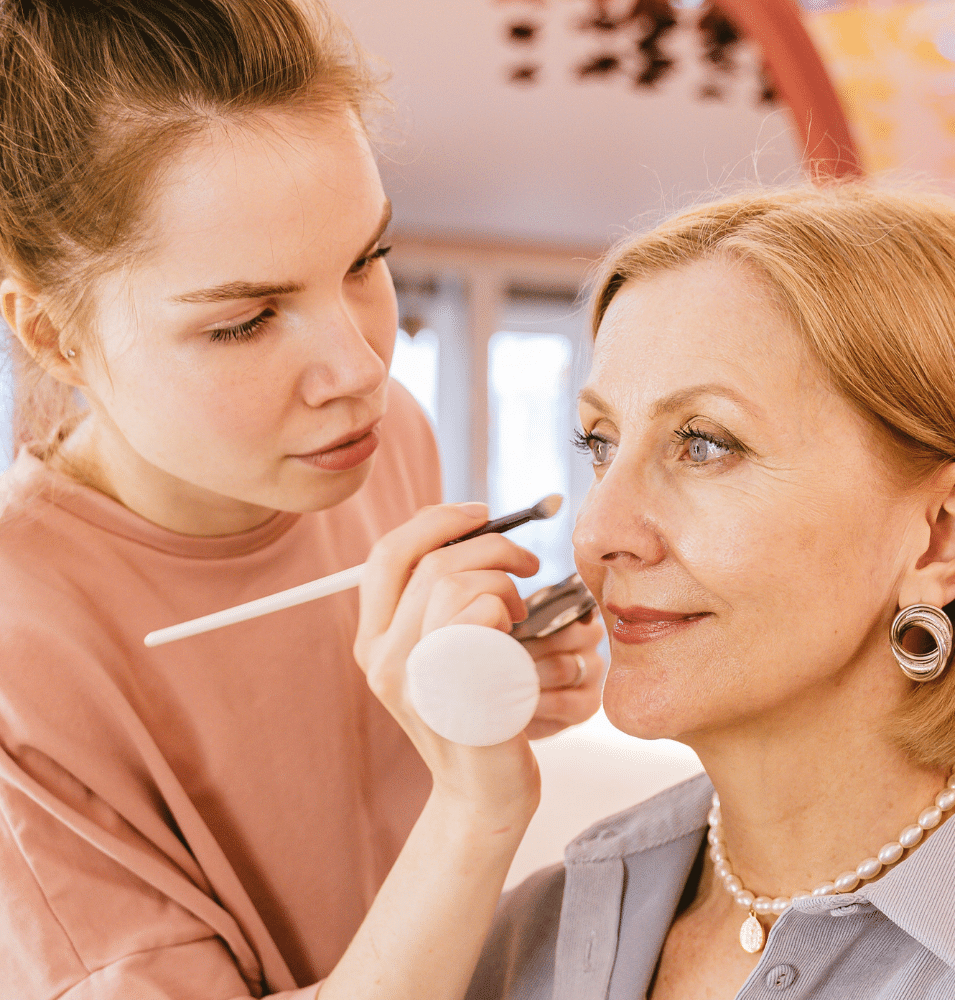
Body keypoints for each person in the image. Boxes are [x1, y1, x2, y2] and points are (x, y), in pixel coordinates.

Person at [0, 1, 604, 997]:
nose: (364, 364)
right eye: (245, 321)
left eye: (367, 261)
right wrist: (475, 806)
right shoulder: (24, 647)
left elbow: (356, 809)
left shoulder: (382, 438)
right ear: (55, 335)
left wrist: (480, 688)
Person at [462, 183, 955, 999]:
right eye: (600, 444)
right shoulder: (535, 932)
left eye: (705, 445)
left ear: (942, 535)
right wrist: (468, 814)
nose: (598, 531)